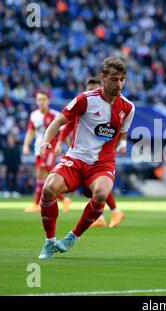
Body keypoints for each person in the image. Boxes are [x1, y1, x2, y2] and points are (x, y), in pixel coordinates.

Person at [37, 56, 134, 259]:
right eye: (114, 79)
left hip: (102, 164)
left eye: (122, 79)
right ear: (103, 78)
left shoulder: (128, 107)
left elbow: (122, 132)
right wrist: (46, 140)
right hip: (76, 158)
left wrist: (122, 144)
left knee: (101, 193)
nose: (119, 84)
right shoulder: (85, 99)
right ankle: (49, 241)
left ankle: (73, 237)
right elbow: (59, 121)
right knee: (48, 189)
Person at [55, 77, 125, 228]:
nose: (91, 91)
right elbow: (66, 126)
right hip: (82, 154)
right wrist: (61, 142)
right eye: (89, 88)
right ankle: (111, 212)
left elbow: (118, 130)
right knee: (97, 187)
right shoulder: (85, 105)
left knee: (98, 185)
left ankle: (107, 214)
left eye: (94, 88)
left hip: (98, 156)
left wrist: (118, 145)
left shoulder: (110, 107)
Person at [23, 91, 71, 213]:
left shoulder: (55, 115)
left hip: (50, 148)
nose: (41, 102)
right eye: (39, 99)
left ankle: (37, 203)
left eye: (43, 99)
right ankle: (63, 199)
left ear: (48, 101)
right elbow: (30, 131)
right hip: (37, 148)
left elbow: (64, 132)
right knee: (40, 176)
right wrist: (26, 145)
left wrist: (69, 146)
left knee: (47, 173)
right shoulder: (34, 115)